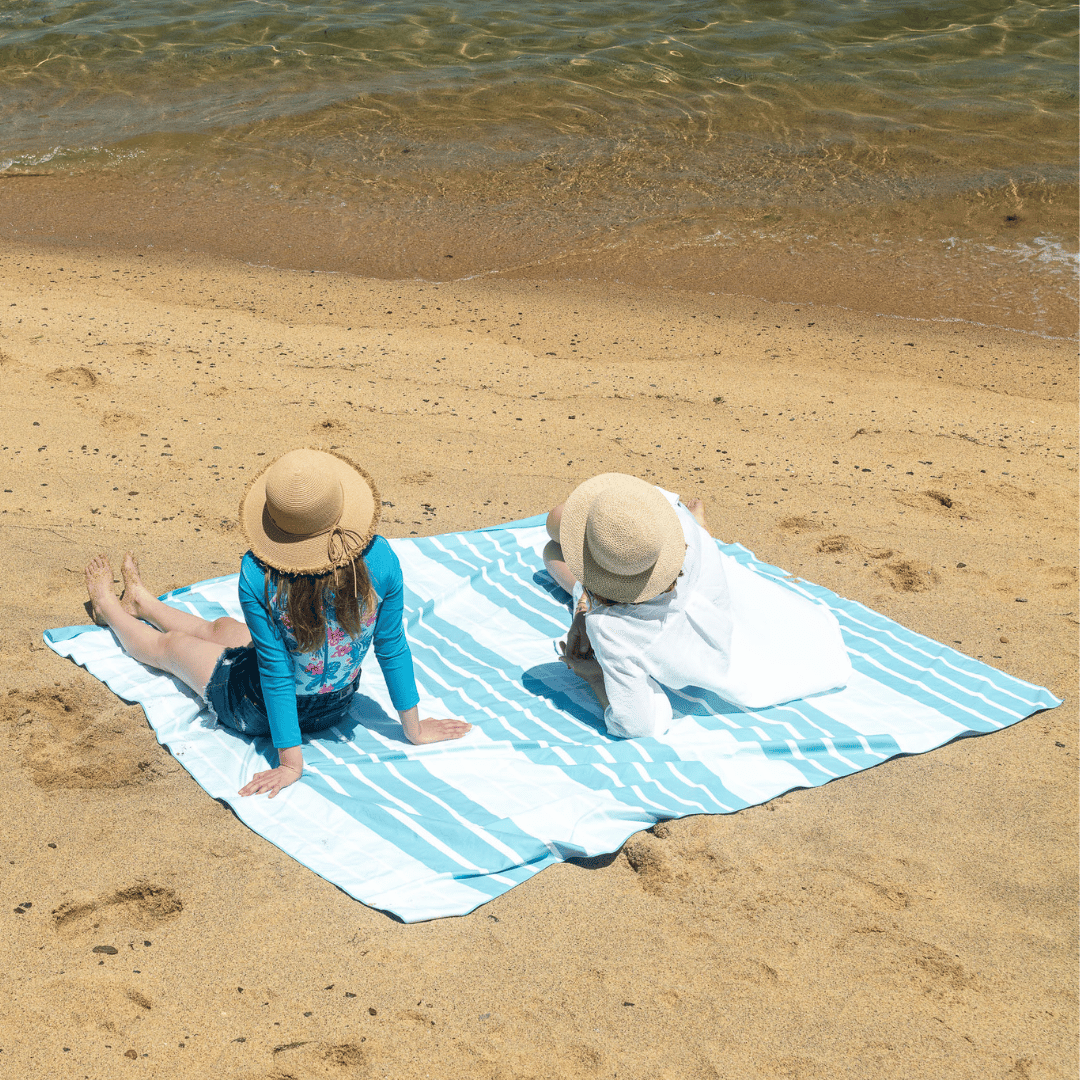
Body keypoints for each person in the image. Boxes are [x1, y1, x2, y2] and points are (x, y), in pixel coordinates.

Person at [84, 447, 471, 798]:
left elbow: (275, 672)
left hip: (255, 708)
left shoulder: (257, 574)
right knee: (221, 629)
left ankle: (110, 611)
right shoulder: (382, 558)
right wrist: (414, 729)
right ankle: (143, 604)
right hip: (337, 704)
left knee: (172, 649)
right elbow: (391, 646)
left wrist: (290, 763)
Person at [546, 473, 851, 739]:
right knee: (564, 523)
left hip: (712, 643)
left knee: (552, 549)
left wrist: (596, 674)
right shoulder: (671, 526)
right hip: (733, 603)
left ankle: (617, 556)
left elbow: (640, 726)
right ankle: (702, 532)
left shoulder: (614, 630)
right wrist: (587, 610)